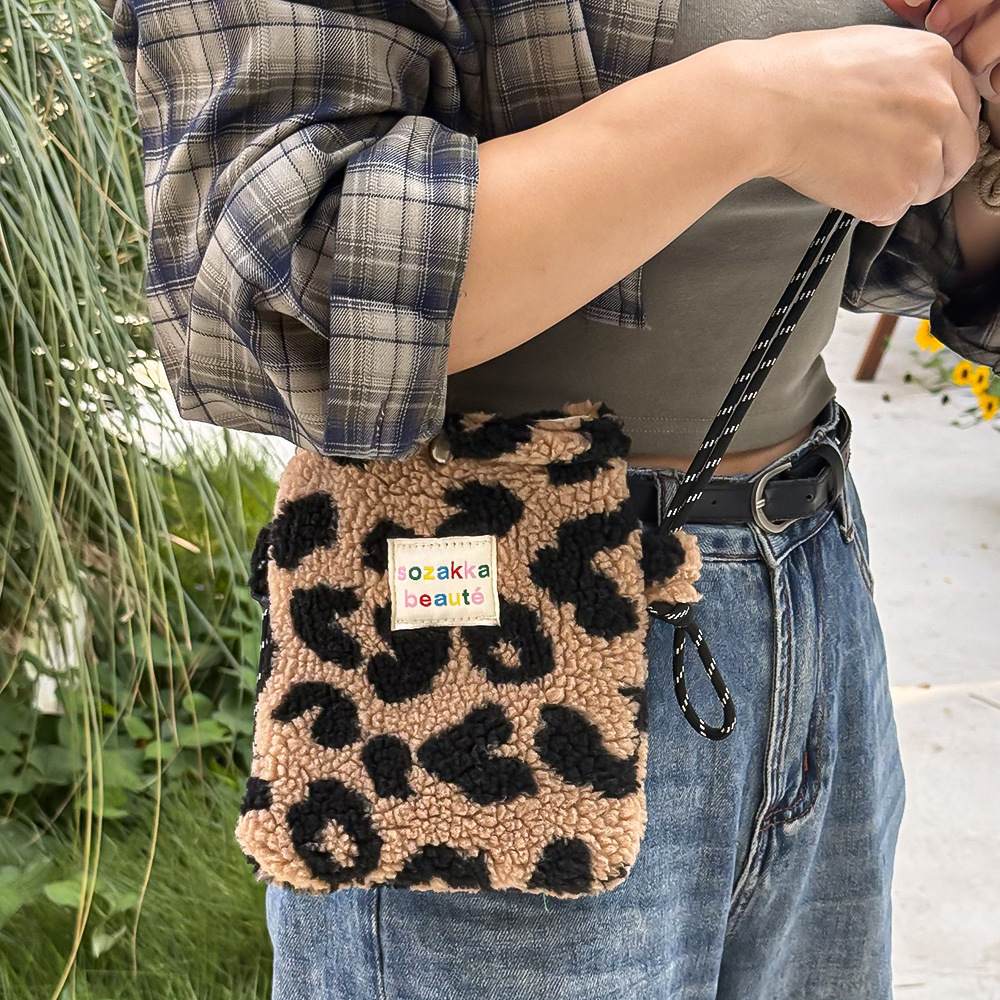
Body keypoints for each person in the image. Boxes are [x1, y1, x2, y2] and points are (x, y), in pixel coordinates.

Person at [98, 0, 1000, 994]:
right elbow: (281, 279)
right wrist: (751, 110)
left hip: (810, 578)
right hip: (489, 607)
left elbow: (895, 240)